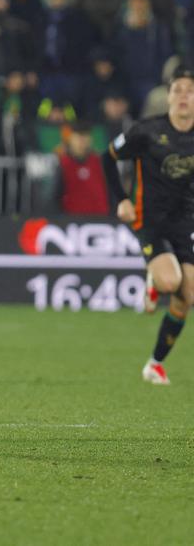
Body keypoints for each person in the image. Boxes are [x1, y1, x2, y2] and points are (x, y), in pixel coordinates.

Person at [102, 68, 194, 385]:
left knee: (188, 294)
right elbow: (108, 156)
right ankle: (156, 278)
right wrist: (121, 199)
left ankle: (154, 364)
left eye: (190, 91)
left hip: (186, 222)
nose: (183, 96)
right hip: (150, 219)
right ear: (168, 97)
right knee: (172, 283)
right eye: (178, 89)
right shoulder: (147, 131)